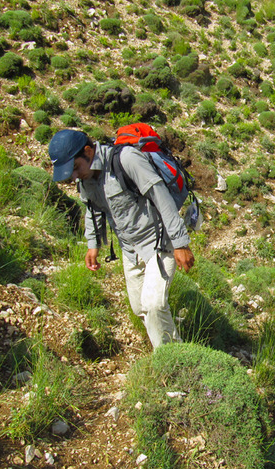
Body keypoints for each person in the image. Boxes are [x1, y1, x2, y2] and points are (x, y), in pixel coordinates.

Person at [48, 128, 194, 349]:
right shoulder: (85, 178)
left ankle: (171, 361)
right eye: (70, 173)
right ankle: (174, 346)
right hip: (130, 249)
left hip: (159, 240)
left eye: (75, 168)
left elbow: (161, 196)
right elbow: (92, 208)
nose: (74, 177)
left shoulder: (126, 159)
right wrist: (93, 244)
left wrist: (181, 243)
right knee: (140, 308)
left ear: (88, 151)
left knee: (153, 305)